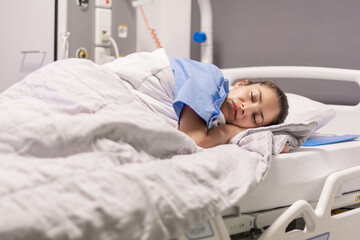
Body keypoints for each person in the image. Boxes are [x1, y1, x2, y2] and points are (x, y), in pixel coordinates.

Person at [169, 57, 289, 150]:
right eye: (252, 97)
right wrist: (229, 131)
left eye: (255, 117)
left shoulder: (214, 120)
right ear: (241, 84)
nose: (245, 108)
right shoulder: (211, 78)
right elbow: (195, 140)